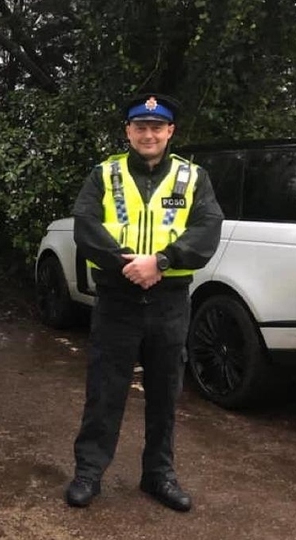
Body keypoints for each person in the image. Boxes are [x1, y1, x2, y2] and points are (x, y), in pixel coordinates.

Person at [64, 93, 224, 512]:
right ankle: (89, 472)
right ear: (128, 131)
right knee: (105, 388)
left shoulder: (193, 178)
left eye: (157, 127)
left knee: (165, 389)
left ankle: (158, 475)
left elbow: (208, 227)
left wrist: (162, 262)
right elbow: (85, 226)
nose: (148, 134)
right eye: (140, 127)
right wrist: (128, 265)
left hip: (170, 299)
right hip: (118, 297)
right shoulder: (105, 173)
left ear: (170, 131)